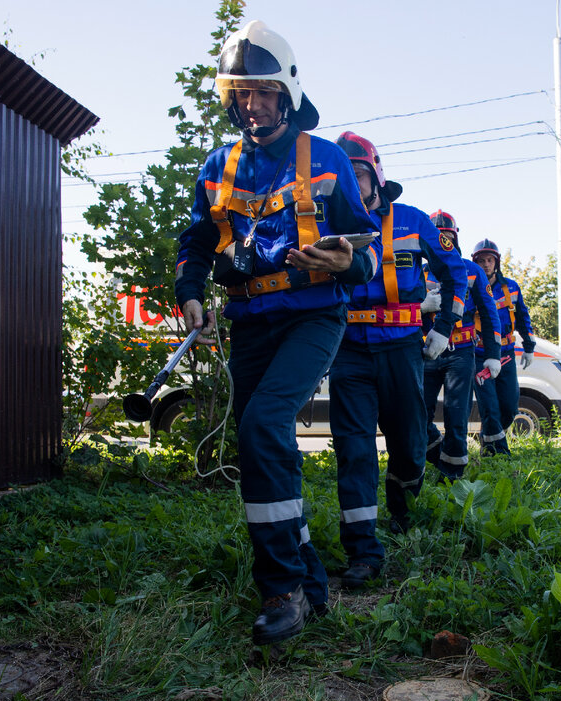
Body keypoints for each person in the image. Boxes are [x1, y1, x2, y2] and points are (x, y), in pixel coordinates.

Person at [175, 21, 380, 645]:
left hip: (313, 315)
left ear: (286, 92)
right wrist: (189, 294)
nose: (252, 104)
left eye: (263, 92)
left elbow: (365, 248)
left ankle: (281, 589)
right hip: (248, 322)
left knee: (263, 425)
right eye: (241, 93)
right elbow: (196, 242)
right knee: (257, 438)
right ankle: (312, 583)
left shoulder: (326, 159)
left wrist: (350, 261)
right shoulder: (219, 167)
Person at [328, 133, 467, 590]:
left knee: (409, 444)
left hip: (403, 347)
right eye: (342, 175)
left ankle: (402, 510)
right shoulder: (326, 222)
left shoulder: (412, 220)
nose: (351, 182)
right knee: (354, 450)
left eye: (359, 173)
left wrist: (445, 325)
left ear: (376, 177)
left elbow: (455, 273)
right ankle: (362, 549)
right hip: (348, 349)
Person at [422, 211, 501, 481]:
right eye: (438, 237)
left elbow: (489, 314)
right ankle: (437, 455)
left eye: (448, 236)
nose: (443, 241)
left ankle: (452, 475)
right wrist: (420, 306)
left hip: (462, 353)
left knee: (457, 418)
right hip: (426, 353)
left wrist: (492, 355)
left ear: (455, 238)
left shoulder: (472, 270)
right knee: (417, 413)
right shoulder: (416, 271)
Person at [470, 238, 536, 455]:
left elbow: (523, 317)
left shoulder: (511, 288)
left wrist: (529, 345)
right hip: (479, 355)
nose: (486, 264)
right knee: (489, 407)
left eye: (490, 260)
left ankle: (487, 439)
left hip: (506, 354)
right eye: (481, 261)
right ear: (475, 263)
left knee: (508, 407)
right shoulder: (469, 288)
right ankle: (496, 454)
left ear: (496, 262)